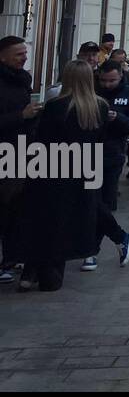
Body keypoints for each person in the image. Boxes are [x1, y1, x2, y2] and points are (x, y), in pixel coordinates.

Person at [15, 60, 129, 291]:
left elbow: (43, 140)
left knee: (48, 217)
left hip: (55, 167)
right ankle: (107, 242)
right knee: (82, 211)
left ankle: (39, 267)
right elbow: (100, 137)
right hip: (86, 166)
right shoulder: (98, 106)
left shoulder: (57, 106)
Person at [0, 37, 41, 283]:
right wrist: (20, 115)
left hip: (20, 152)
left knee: (16, 207)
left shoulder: (23, 79)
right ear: (3, 56)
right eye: (18, 54)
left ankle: (12, 257)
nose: (24, 57)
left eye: (25, 53)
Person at [94, 62, 129, 214]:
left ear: (120, 77)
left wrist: (117, 118)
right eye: (103, 80)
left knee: (108, 195)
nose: (107, 85)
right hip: (89, 149)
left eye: (112, 81)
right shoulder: (93, 91)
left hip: (113, 151)